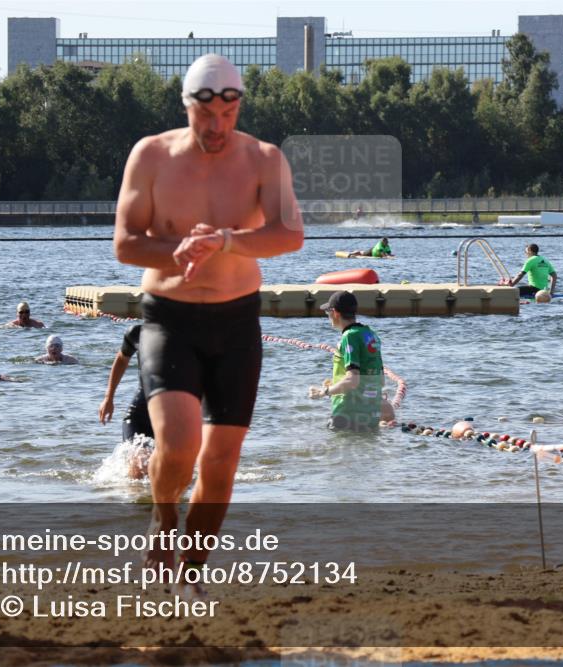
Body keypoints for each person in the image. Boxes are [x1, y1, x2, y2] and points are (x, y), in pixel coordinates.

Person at [112, 53, 304, 589]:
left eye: (229, 113)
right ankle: (161, 514)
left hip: (236, 321)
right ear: (186, 106)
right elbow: (125, 244)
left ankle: (191, 572)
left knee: (221, 463)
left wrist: (223, 240)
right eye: (206, 115)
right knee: (179, 445)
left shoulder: (264, 159)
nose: (218, 127)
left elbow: (290, 233)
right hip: (169, 318)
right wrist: (178, 250)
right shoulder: (150, 156)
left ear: (239, 106)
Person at [307, 291, 385, 431]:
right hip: (371, 416)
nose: (328, 317)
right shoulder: (370, 334)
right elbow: (380, 380)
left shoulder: (349, 336)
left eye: (328, 313)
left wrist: (324, 392)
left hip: (348, 415)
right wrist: (336, 384)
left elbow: (352, 381)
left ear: (335, 313)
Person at [99, 325, 154, 480]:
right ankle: (134, 501)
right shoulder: (138, 333)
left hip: (174, 418)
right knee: (140, 464)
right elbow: (121, 359)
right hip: (140, 415)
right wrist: (108, 397)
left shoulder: (188, 335)